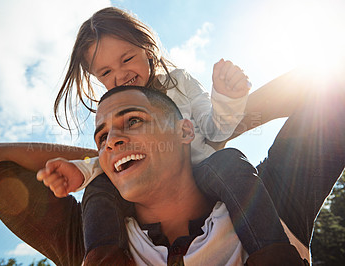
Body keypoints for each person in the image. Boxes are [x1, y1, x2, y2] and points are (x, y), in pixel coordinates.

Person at [0, 80, 345, 265]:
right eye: (102, 135)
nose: (111, 139)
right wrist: (97, 163)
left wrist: (213, 131)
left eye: (132, 121)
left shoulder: (264, 198)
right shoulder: (90, 237)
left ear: (183, 131)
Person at [39, 6, 292, 260]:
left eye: (126, 59)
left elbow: (214, 131)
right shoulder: (113, 109)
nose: (120, 75)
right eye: (105, 72)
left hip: (197, 177)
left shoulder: (179, 83)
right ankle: (103, 259)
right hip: (144, 191)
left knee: (228, 162)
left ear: (147, 49)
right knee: (99, 186)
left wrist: (227, 99)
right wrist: (83, 170)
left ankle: (272, 252)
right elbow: (118, 154)